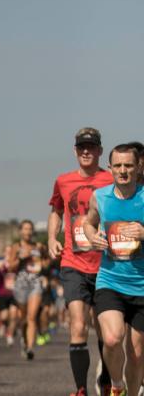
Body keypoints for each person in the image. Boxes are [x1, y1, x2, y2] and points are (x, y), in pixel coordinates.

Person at [47, 127, 113, 395]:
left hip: (107, 265)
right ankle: (81, 388)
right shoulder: (63, 181)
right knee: (77, 325)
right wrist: (52, 238)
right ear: (75, 151)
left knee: (105, 331)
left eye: (91, 147)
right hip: (73, 263)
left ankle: (107, 380)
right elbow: (55, 210)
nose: (86, 151)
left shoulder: (111, 179)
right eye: (81, 147)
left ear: (99, 150)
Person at [83, 144, 144, 396]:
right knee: (111, 338)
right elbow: (88, 222)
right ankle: (116, 386)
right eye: (117, 165)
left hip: (141, 285)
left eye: (128, 165)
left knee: (137, 352)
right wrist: (91, 236)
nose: (123, 171)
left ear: (139, 167)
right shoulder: (99, 196)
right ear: (110, 168)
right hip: (110, 280)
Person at [8, 220, 44, 360]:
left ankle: (30, 347)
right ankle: (24, 340)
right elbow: (10, 267)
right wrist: (21, 258)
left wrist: (45, 254)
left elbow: (46, 261)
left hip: (35, 282)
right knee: (23, 319)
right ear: (20, 231)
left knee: (32, 317)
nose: (28, 232)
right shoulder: (16, 247)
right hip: (21, 284)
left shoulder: (38, 246)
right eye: (25, 229)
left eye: (30, 229)